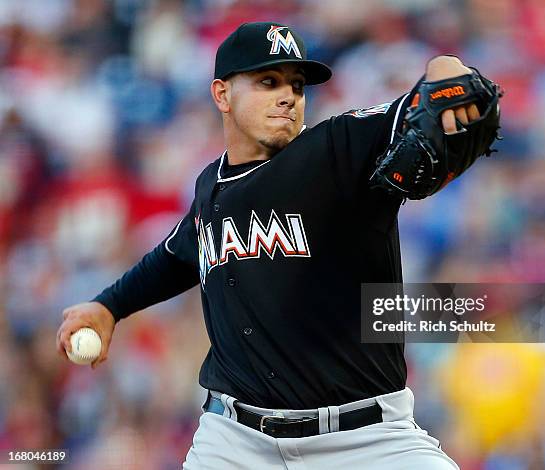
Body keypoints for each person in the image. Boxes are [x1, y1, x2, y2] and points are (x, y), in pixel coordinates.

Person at [56, 21, 495, 469]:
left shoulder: (333, 150)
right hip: (235, 441)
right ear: (222, 95)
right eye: (268, 82)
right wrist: (109, 306)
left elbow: (430, 90)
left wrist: (444, 68)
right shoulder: (212, 186)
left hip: (365, 439)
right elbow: (174, 256)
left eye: (297, 85)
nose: (288, 96)